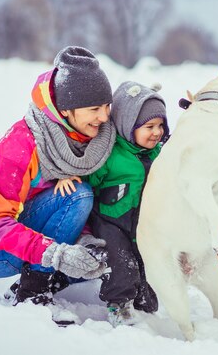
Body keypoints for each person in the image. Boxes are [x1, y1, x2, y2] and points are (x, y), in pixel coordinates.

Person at [0, 46, 116, 312]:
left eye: (107, 106)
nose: (103, 118)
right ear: (67, 110)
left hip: (38, 228)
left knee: (97, 260)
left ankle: (46, 278)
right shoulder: (21, 144)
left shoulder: (91, 140)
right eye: (94, 109)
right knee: (77, 195)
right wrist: (57, 254)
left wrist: (85, 242)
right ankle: (33, 293)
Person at [56, 81, 169, 327]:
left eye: (160, 125)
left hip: (142, 223)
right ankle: (118, 305)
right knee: (121, 263)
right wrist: (70, 177)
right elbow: (88, 173)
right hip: (110, 221)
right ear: (129, 126)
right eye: (149, 126)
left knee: (146, 264)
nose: (157, 132)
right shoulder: (111, 154)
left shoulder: (158, 154)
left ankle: (142, 297)